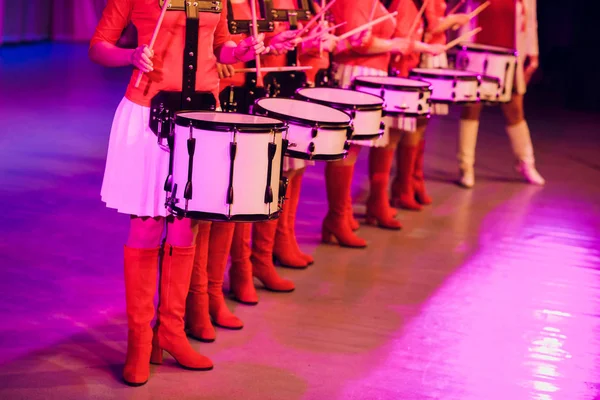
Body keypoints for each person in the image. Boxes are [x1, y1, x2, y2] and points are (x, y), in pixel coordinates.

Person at [89, 0, 266, 386]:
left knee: (186, 228)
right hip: (149, 110)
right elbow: (98, 46)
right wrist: (131, 55)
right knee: (148, 227)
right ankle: (140, 341)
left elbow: (222, 46)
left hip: (203, 116)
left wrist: (241, 52)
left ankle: (171, 330)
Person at [185, 0, 301, 344]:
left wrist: (253, 49)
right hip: (209, 100)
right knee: (206, 209)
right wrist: (220, 60)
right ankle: (198, 300)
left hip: (240, 93)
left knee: (236, 204)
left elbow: (227, 48)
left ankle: (221, 288)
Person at [324, 0, 444, 244]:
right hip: (356, 73)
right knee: (347, 150)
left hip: (368, 74)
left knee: (352, 150)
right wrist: (398, 44)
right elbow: (360, 42)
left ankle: (342, 213)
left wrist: (411, 45)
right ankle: (337, 216)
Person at [389, 0, 470, 210]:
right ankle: (404, 183)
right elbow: (431, 26)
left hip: (433, 52)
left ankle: (414, 178)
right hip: (424, 54)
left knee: (423, 122)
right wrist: (454, 20)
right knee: (415, 122)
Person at [457, 0, 545, 187]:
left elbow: (530, 23)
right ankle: (466, 166)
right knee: (472, 106)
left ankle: (526, 162)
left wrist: (533, 55)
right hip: (477, 52)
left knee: (515, 110)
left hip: (510, 54)